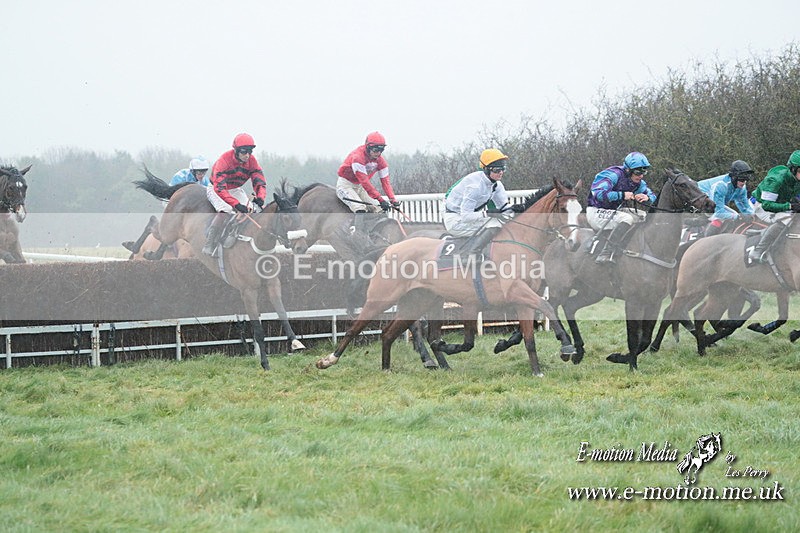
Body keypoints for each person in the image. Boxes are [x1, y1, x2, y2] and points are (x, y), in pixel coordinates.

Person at [443, 148, 523, 257]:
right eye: (497, 170)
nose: (501, 172)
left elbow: (503, 207)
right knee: (494, 224)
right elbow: (466, 216)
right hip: (455, 220)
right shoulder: (475, 187)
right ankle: (472, 254)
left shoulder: (496, 185)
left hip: (467, 217)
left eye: (503, 168)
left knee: (501, 223)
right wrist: (487, 213)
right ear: (486, 169)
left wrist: (515, 209)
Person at [586, 151, 657, 264]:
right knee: (626, 219)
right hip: (595, 211)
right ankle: (605, 252)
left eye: (644, 171)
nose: (641, 175)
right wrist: (622, 195)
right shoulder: (614, 175)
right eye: (638, 172)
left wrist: (647, 197)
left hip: (614, 212)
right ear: (628, 170)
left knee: (643, 216)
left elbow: (653, 196)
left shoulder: (639, 183)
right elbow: (598, 193)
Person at [203, 133, 267, 256]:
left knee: (254, 209)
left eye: (250, 152)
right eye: (244, 152)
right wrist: (236, 205)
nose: (247, 155)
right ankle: (210, 243)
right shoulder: (224, 160)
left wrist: (260, 197)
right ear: (236, 151)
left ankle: (238, 235)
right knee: (226, 209)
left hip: (235, 189)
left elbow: (259, 181)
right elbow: (220, 188)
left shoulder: (252, 161)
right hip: (216, 189)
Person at [336, 132, 399, 234]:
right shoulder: (357, 157)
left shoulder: (381, 162)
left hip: (360, 187)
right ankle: (358, 236)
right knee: (360, 209)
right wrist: (381, 199)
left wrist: (392, 199)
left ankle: (378, 235)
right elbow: (365, 182)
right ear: (368, 147)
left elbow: (386, 182)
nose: (378, 153)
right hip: (345, 185)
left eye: (381, 150)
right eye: (375, 150)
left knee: (379, 209)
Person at [747, 150, 800, 263]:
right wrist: (790, 206)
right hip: (760, 205)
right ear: (793, 169)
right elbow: (767, 205)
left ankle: (765, 233)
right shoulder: (776, 180)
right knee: (787, 218)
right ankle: (758, 250)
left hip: (778, 203)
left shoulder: (796, 179)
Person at [697, 160, 756, 236]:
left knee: (735, 215)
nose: (744, 182)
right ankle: (705, 239)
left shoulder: (742, 188)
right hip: (699, 196)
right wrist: (739, 216)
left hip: (712, 199)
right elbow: (719, 212)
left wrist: (751, 215)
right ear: (734, 177)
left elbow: (744, 206)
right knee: (727, 216)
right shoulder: (721, 186)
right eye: (741, 180)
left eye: (746, 180)